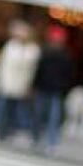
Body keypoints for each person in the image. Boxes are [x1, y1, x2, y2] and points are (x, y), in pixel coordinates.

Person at [31, 25, 74, 155]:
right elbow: (38, 71)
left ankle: (51, 142)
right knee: (39, 115)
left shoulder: (66, 57)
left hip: (57, 91)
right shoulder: (44, 54)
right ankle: (37, 139)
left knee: (53, 118)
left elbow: (69, 76)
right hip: (43, 89)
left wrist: (65, 89)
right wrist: (34, 86)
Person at [0, 20, 40, 141]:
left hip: (21, 85)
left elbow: (31, 68)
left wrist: (28, 85)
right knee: (4, 108)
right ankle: (1, 131)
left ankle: (13, 130)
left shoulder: (32, 49)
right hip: (7, 83)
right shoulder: (10, 46)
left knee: (18, 109)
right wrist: (0, 79)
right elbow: (3, 64)